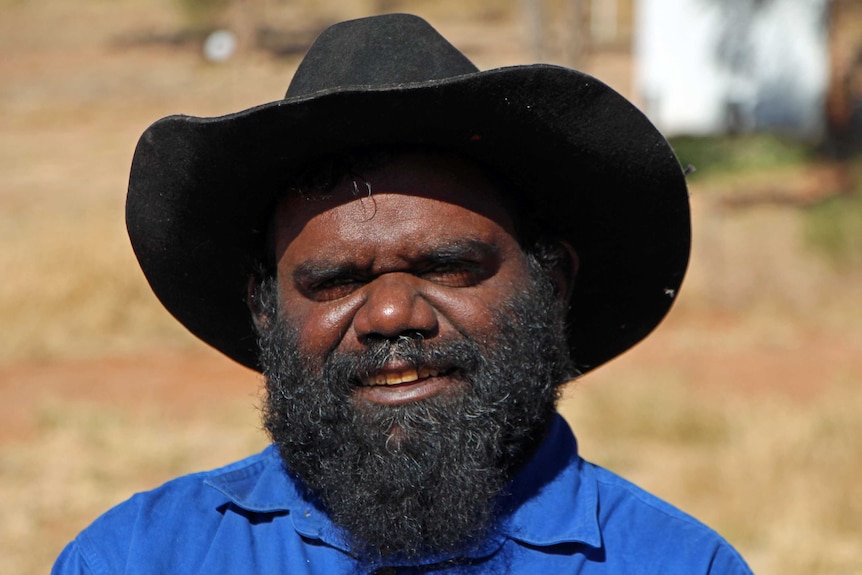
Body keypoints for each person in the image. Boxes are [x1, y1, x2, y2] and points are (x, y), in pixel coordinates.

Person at [52, 13, 753, 574]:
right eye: (334, 281)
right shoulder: (137, 559)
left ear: (553, 282)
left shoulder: (679, 564)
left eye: (447, 266)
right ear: (264, 309)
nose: (391, 314)